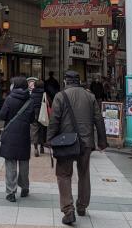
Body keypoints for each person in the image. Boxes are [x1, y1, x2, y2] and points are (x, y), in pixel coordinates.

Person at [47, 70, 107, 226]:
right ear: (79, 81)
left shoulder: (60, 96)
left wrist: (49, 140)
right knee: (84, 173)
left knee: (63, 174)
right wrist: (102, 141)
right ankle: (82, 206)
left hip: (66, 142)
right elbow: (98, 119)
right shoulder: (90, 96)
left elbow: (54, 120)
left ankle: (68, 211)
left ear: (66, 81)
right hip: (86, 142)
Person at [0, 76, 35, 202]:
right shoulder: (30, 100)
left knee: (10, 164)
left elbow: (2, 115)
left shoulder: (9, 99)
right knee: (24, 163)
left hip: (10, 135)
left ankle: (11, 192)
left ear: (15, 86)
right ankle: (24, 187)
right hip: (24, 135)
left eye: (12, 84)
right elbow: (32, 119)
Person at [30, 79, 47, 157]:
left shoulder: (32, 95)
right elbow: (48, 103)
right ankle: (42, 147)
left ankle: (36, 148)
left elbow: (30, 105)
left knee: (34, 130)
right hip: (43, 114)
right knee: (42, 130)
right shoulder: (45, 94)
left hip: (34, 114)